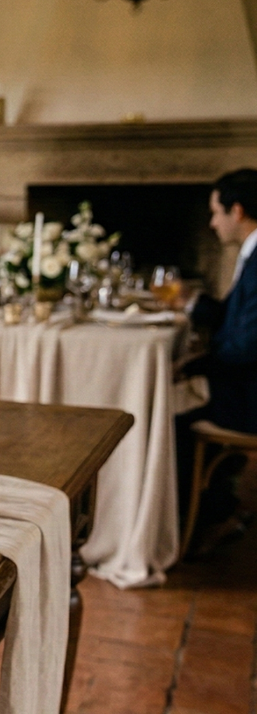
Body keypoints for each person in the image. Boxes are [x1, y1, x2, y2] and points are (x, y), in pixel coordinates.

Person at [178, 168, 257, 553]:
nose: (212, 223)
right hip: (244, 382)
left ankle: (198, 521)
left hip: (249, 397)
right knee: (178, 395)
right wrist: (189, 303)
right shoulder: (252, 253)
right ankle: (220, 500)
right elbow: (233, 317)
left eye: (215, 212)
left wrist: (190, 366)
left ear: (236, 211)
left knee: (170, 418)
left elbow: (246, 348)